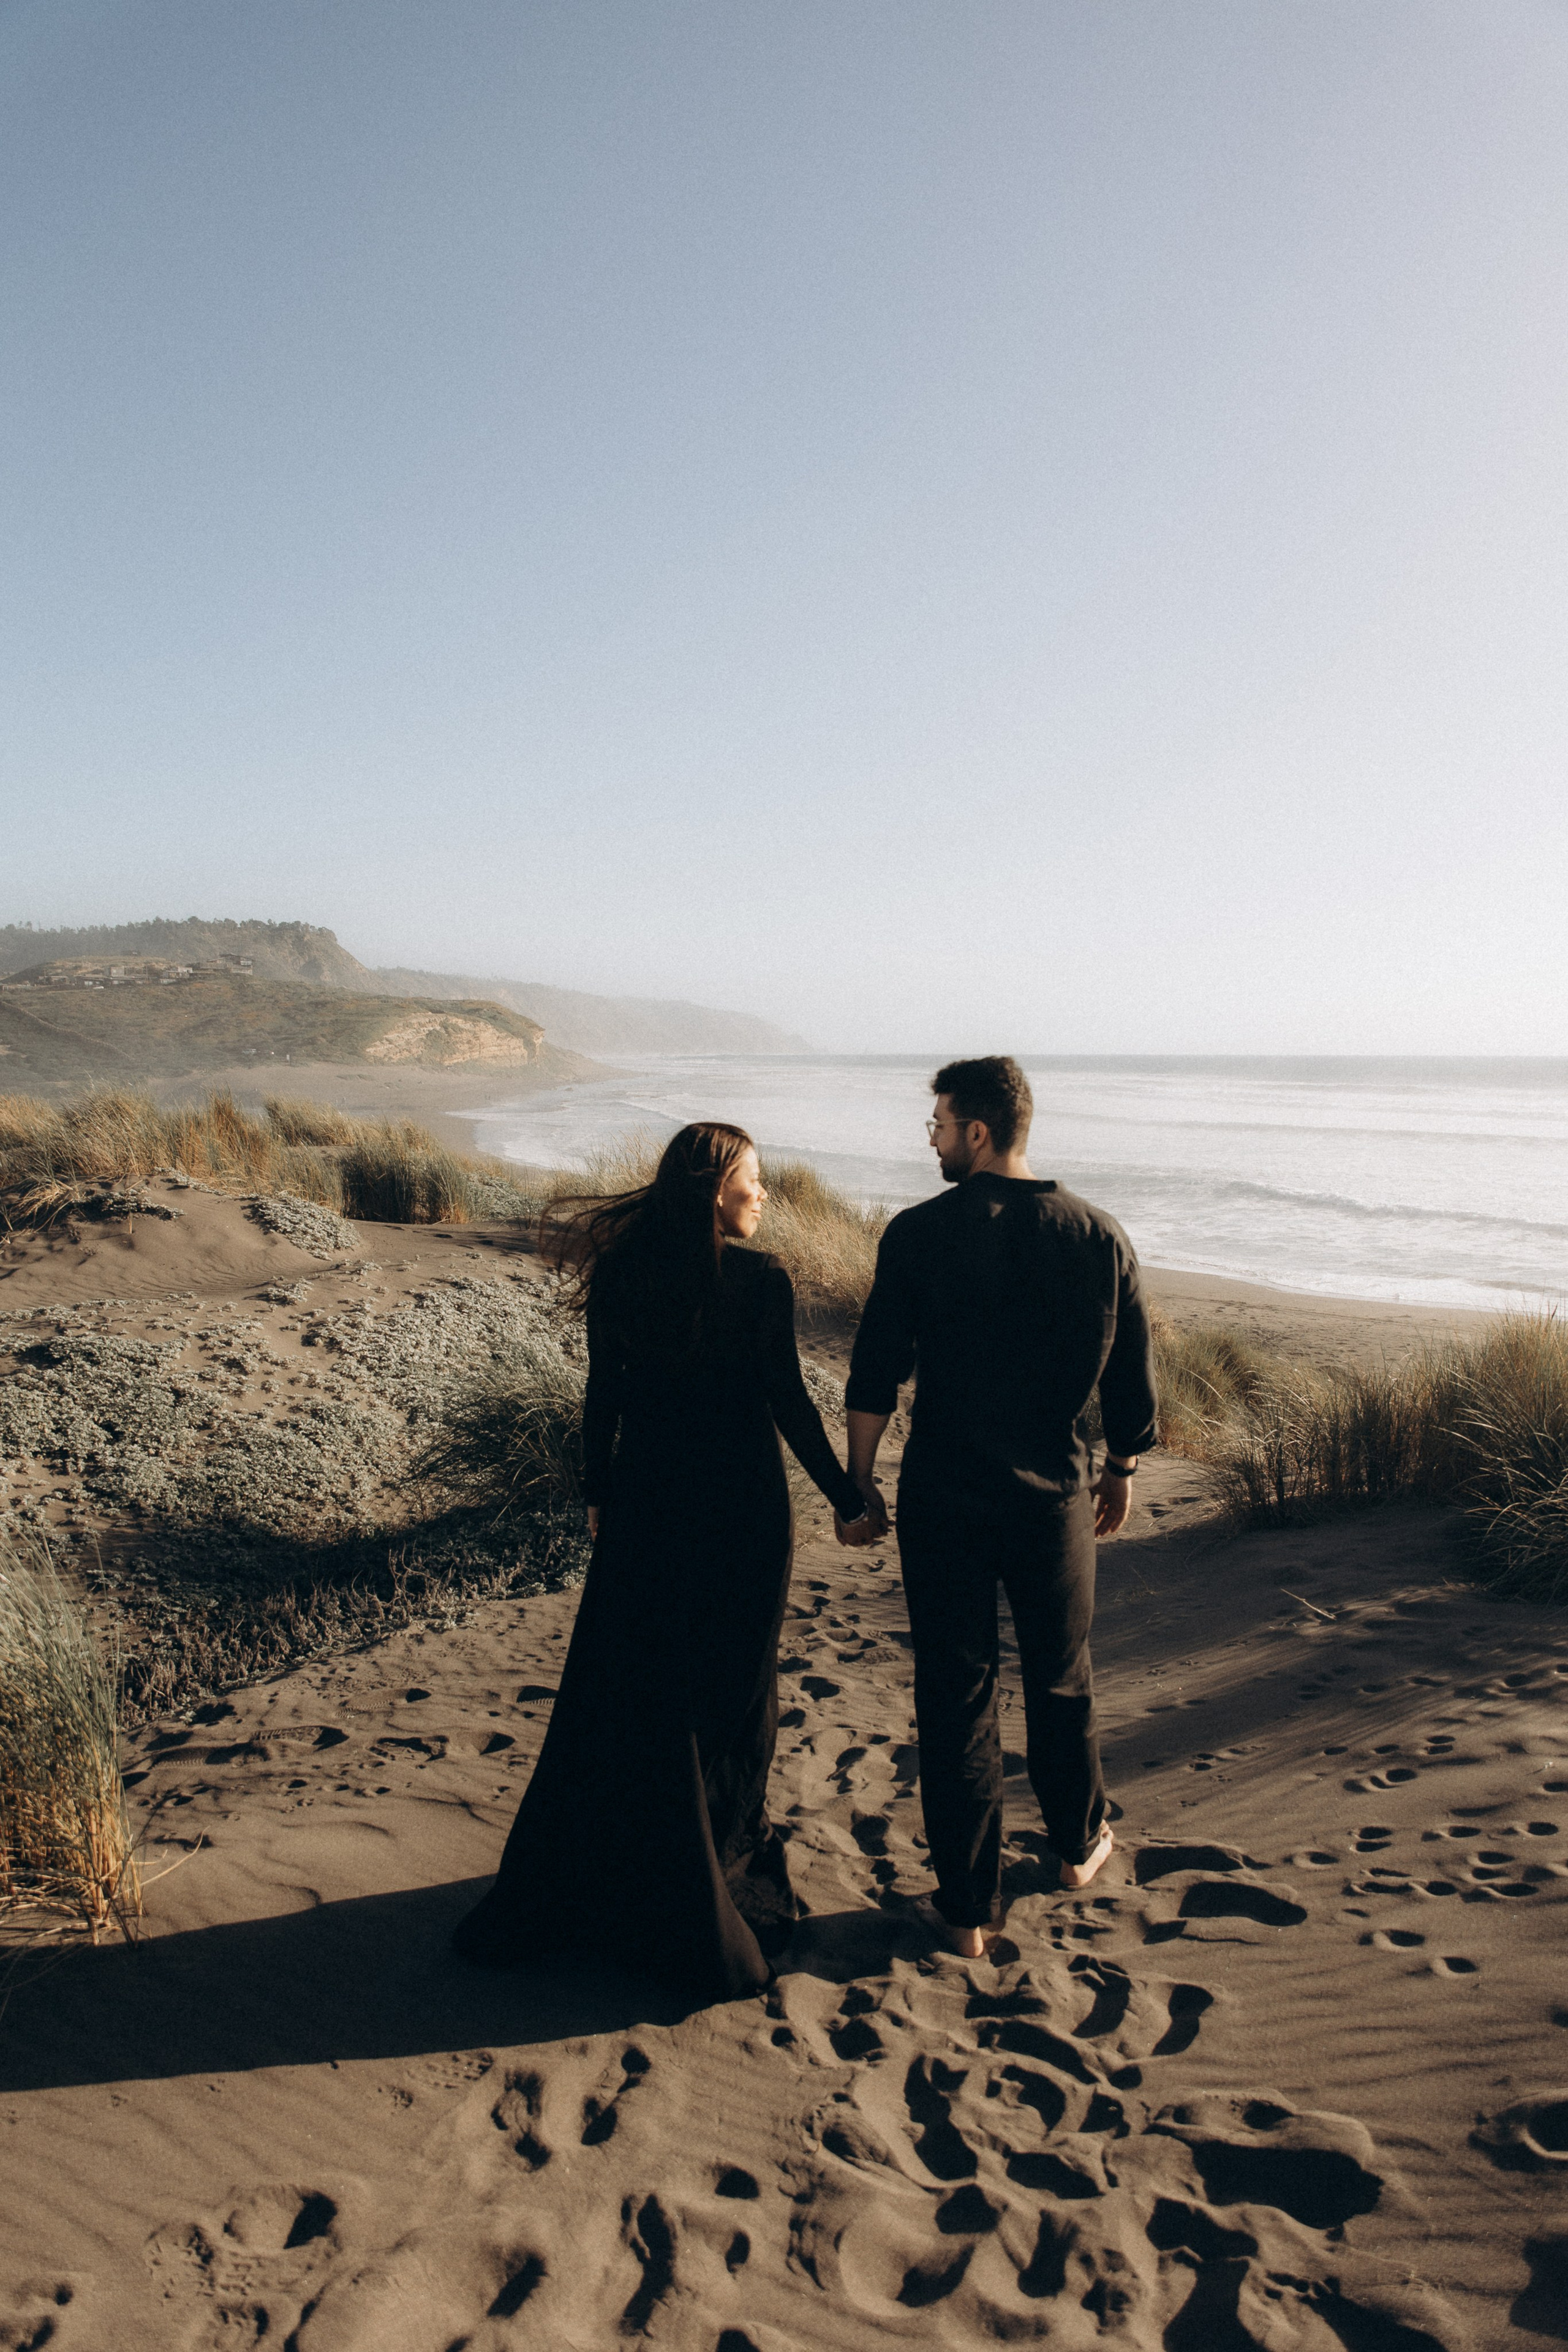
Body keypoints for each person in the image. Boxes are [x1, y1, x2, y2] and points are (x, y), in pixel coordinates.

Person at [452, 1122, 874, 2003]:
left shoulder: (625, 1272)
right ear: (714, 1188)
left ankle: (622, 1871)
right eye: (752, 1181)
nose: (763, 1195)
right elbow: (788, 1402)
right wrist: (844, 1495)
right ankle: (712, 1876)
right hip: (741, 1519)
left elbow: (602, 1395)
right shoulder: (759, 1280)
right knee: (730, 1693)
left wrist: (599, 1494)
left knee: (638, 1688)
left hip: (647, 1512)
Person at [842, 1056, 1157, 1959]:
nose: (933, 1139)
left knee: (956, 1690)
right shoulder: (1098, 1236)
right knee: (1061, 1673)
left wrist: (861, 1482)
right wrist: (1122, 1467)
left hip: (944, 1490)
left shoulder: (916, 1234)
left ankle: (968, 1907)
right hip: (1053, 1491)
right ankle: (1075, 1847)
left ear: (977, 1131)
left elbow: (875, 1373)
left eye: (938, 1124)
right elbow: (1130, 1382)